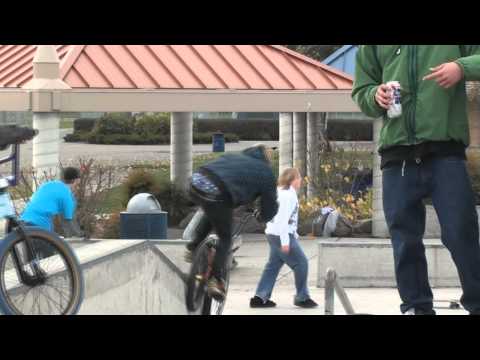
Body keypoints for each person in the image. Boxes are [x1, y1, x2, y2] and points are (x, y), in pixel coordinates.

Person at [352, 45, 480, 315]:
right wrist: (375, 95)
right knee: (404, 239)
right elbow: (361, 90)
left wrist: (461, 68)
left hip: (445, 150)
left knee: (461, 233)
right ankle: (416, 307)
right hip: (397, 154)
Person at [184, 144, 278, 301]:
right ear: (267, 158)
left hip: (197, 181)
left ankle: (193, 247)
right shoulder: (265, 172)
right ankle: (215, 280)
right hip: (219, 192)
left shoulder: (234, 156)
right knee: (225, 237)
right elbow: (269, 205)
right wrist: (263, 217)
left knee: (211, 212)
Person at [250, 168, 318, 309]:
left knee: (273, 266)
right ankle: (302, 297)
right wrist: (285, 241)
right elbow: (282, 220)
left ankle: (260, 297)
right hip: (282, 234)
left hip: (273, 233)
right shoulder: (288, 196)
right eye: (299, 178)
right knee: (301, 263)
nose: (300, 181)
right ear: (292, 180)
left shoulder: (279, 192)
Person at [20, 167, 84, 240]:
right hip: (40, 226)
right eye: (77, 185)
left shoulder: (48, 185)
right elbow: (68, 222)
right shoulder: (67, 195)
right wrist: (80, 236)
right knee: (47, 249)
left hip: (23, 221)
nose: (77, 188)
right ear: (74, 180)